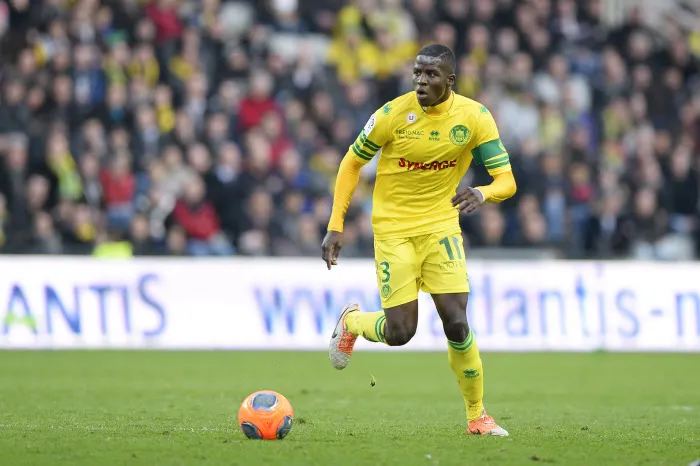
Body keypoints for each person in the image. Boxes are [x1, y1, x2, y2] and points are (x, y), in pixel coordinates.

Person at [322, 44, 516, 436]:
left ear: (450, 81)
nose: (422, 81)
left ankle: (477, 416)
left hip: (441, 227)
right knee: (401, 333)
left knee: (457, 322)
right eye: (418, 73)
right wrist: (336, 223)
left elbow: (507, 181)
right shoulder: (393, 115)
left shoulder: (475, 118)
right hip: (393, 231)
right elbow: (351, 162)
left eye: (431, 75)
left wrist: (483, 193)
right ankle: (353, 322)